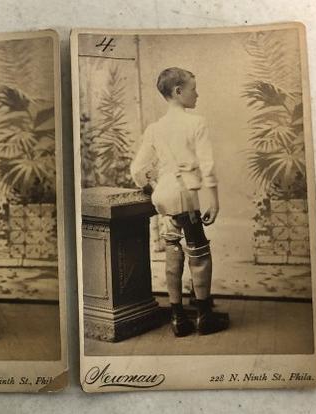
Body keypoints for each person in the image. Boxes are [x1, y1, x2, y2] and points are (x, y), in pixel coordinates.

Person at [130, 67, 228, 336]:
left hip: (163, 195)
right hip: (185, 196)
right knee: (199, 254)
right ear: (178, 91)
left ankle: (177, 317)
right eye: (193, 88)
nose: (197, 94)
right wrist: (215, 201)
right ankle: (204, 316)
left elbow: (137, 169)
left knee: (173, 250)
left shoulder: (155, 128)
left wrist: (151, 189)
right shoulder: (196, 122)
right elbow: (207, 166)